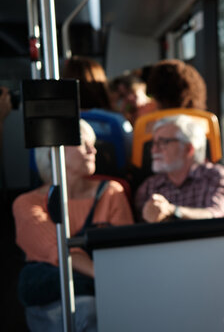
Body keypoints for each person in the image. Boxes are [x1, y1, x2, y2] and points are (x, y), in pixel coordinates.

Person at [13, 119, 134, 331]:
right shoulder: (26, 203)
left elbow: (125, 250)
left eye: (93, 143)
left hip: (107, 291)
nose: (92, 150)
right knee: (88, 312)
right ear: (52, 152)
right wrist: (112, 280)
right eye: (81, 143)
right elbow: (59, 249)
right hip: (56, 296)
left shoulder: (112, 192)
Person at [135, 114, 224, 222]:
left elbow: (219, 215)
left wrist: (173, 211)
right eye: (154, 144)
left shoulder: (216, 176)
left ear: (189, 148)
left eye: (163, 142)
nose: (153, 150)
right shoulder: (149, 186)